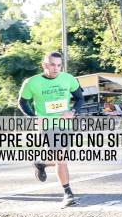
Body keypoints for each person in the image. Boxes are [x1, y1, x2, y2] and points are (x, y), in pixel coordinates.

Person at [18, 51, 84, 207]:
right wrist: (33, 117)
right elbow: (22, 102)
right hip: (47, 126)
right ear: (44, 65)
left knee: (61, 157)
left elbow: (80, 98)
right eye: (52, 64)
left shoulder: (68, 79)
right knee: (61, 158)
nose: (56, 68)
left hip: (66, 125)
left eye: (59, 65)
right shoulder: (32, 83)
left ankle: (41, 163)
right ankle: (68, 193)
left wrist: (73, 111)